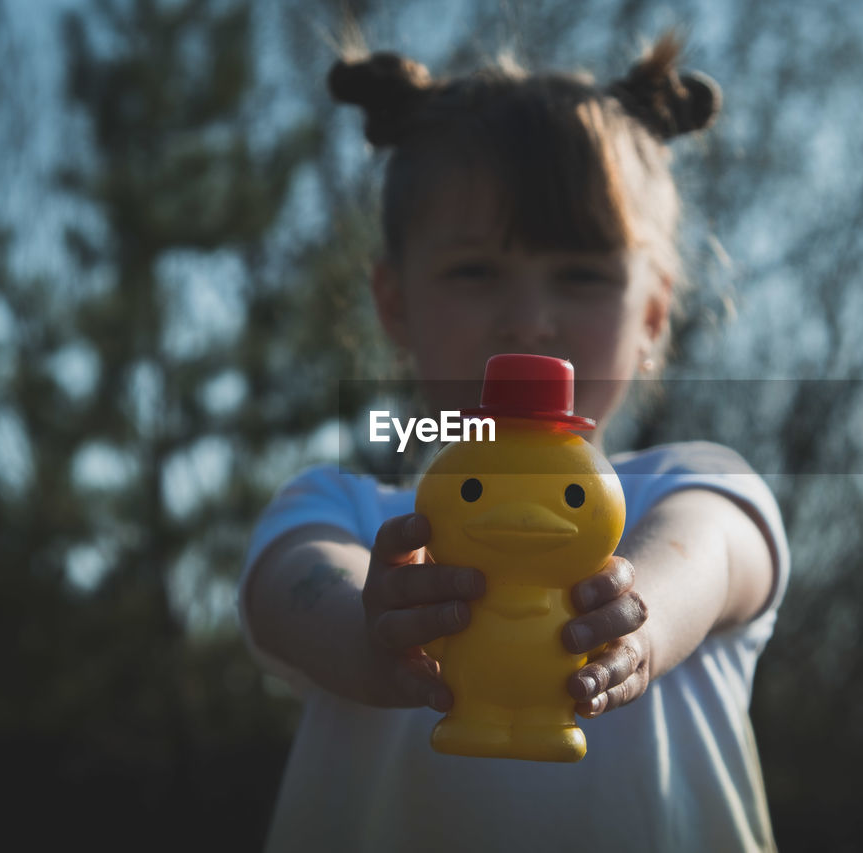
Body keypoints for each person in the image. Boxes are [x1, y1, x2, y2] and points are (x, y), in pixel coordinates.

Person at [238, 34, 790, 852]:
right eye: (473, 272)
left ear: (651, 314)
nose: (530, 320)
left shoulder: (692, 484)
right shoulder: (343, 508)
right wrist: (376, 624)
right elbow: (290, 582)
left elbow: (706, 554)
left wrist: (636, 622)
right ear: (394, 304)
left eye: (582, 275)